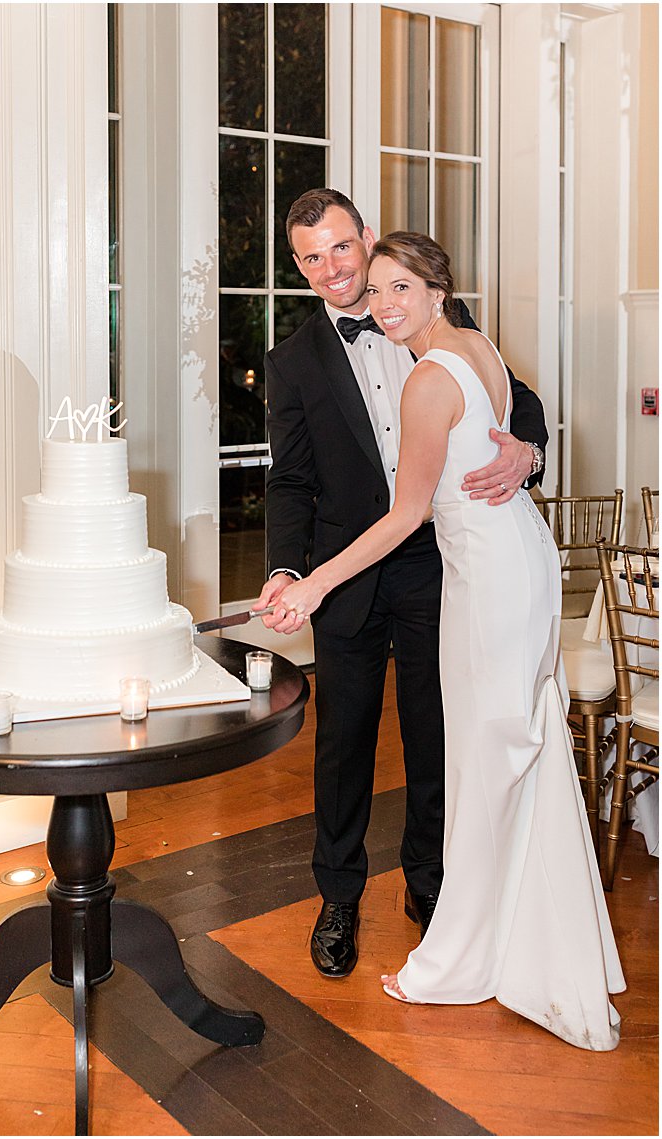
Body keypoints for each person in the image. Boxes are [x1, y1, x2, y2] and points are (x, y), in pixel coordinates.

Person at [264, 232, 623, 1049]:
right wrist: (298, 563)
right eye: (376, 290)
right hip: (513, 558)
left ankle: (460, 947)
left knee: (475, 753)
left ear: (435, 288)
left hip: (468, 574)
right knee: (497, 745)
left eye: (399, 288)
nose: (382, 301)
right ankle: (440, 914)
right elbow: (292, 478)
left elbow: (408, 510)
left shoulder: (430, 373)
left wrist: (313, 583)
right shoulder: (474, 343)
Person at [256, 189, 549, 980]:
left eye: (341, 248)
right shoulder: (292, 361)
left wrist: (528, 452)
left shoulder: (439, 327)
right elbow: (290, 483)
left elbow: (521, 406)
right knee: (344, 745)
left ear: (369, 240)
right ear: (300, 266)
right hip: (345, 573)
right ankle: (339, 899)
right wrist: (290, 570)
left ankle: (434, 888)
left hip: (438, 566)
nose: (331, 270)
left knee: (437, 733)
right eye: (311, 257)